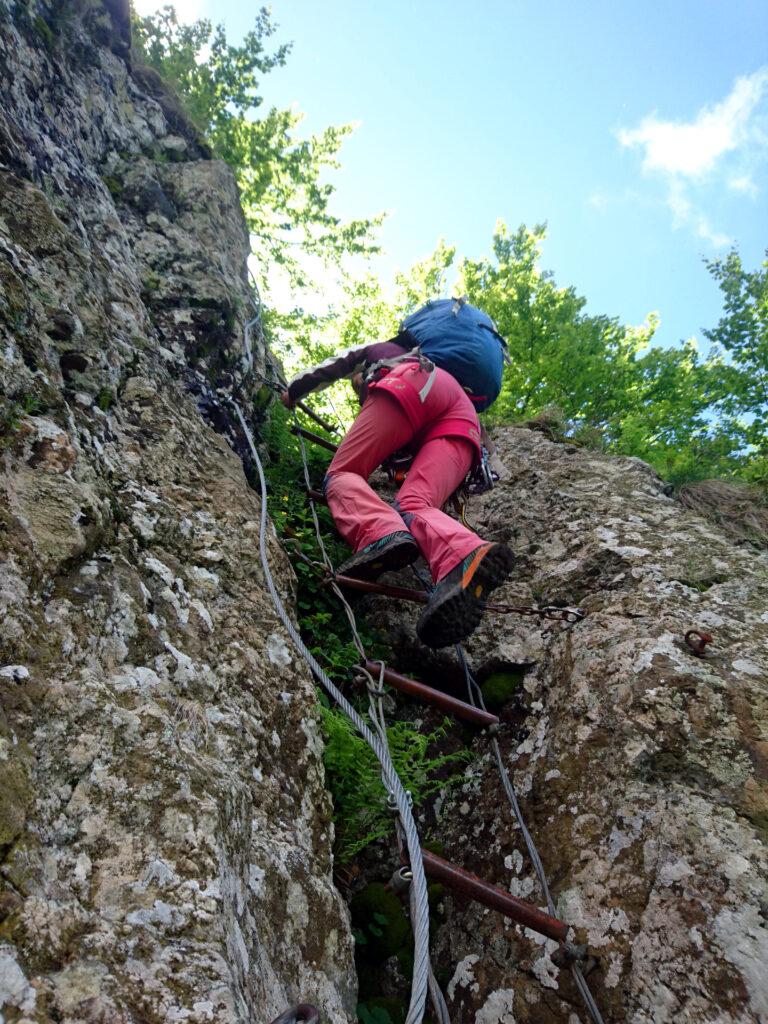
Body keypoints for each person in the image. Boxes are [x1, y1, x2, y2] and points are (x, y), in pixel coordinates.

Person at [282, 332, 514, 649]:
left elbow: (332, 366)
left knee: (343, 472)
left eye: (357, 384)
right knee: (414, 504)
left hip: (412, 384)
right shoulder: (453, 378)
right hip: (464, 421)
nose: (358, 389)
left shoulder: (383, 351)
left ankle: (381, 533)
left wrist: (293, 392)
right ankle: (464, 555)